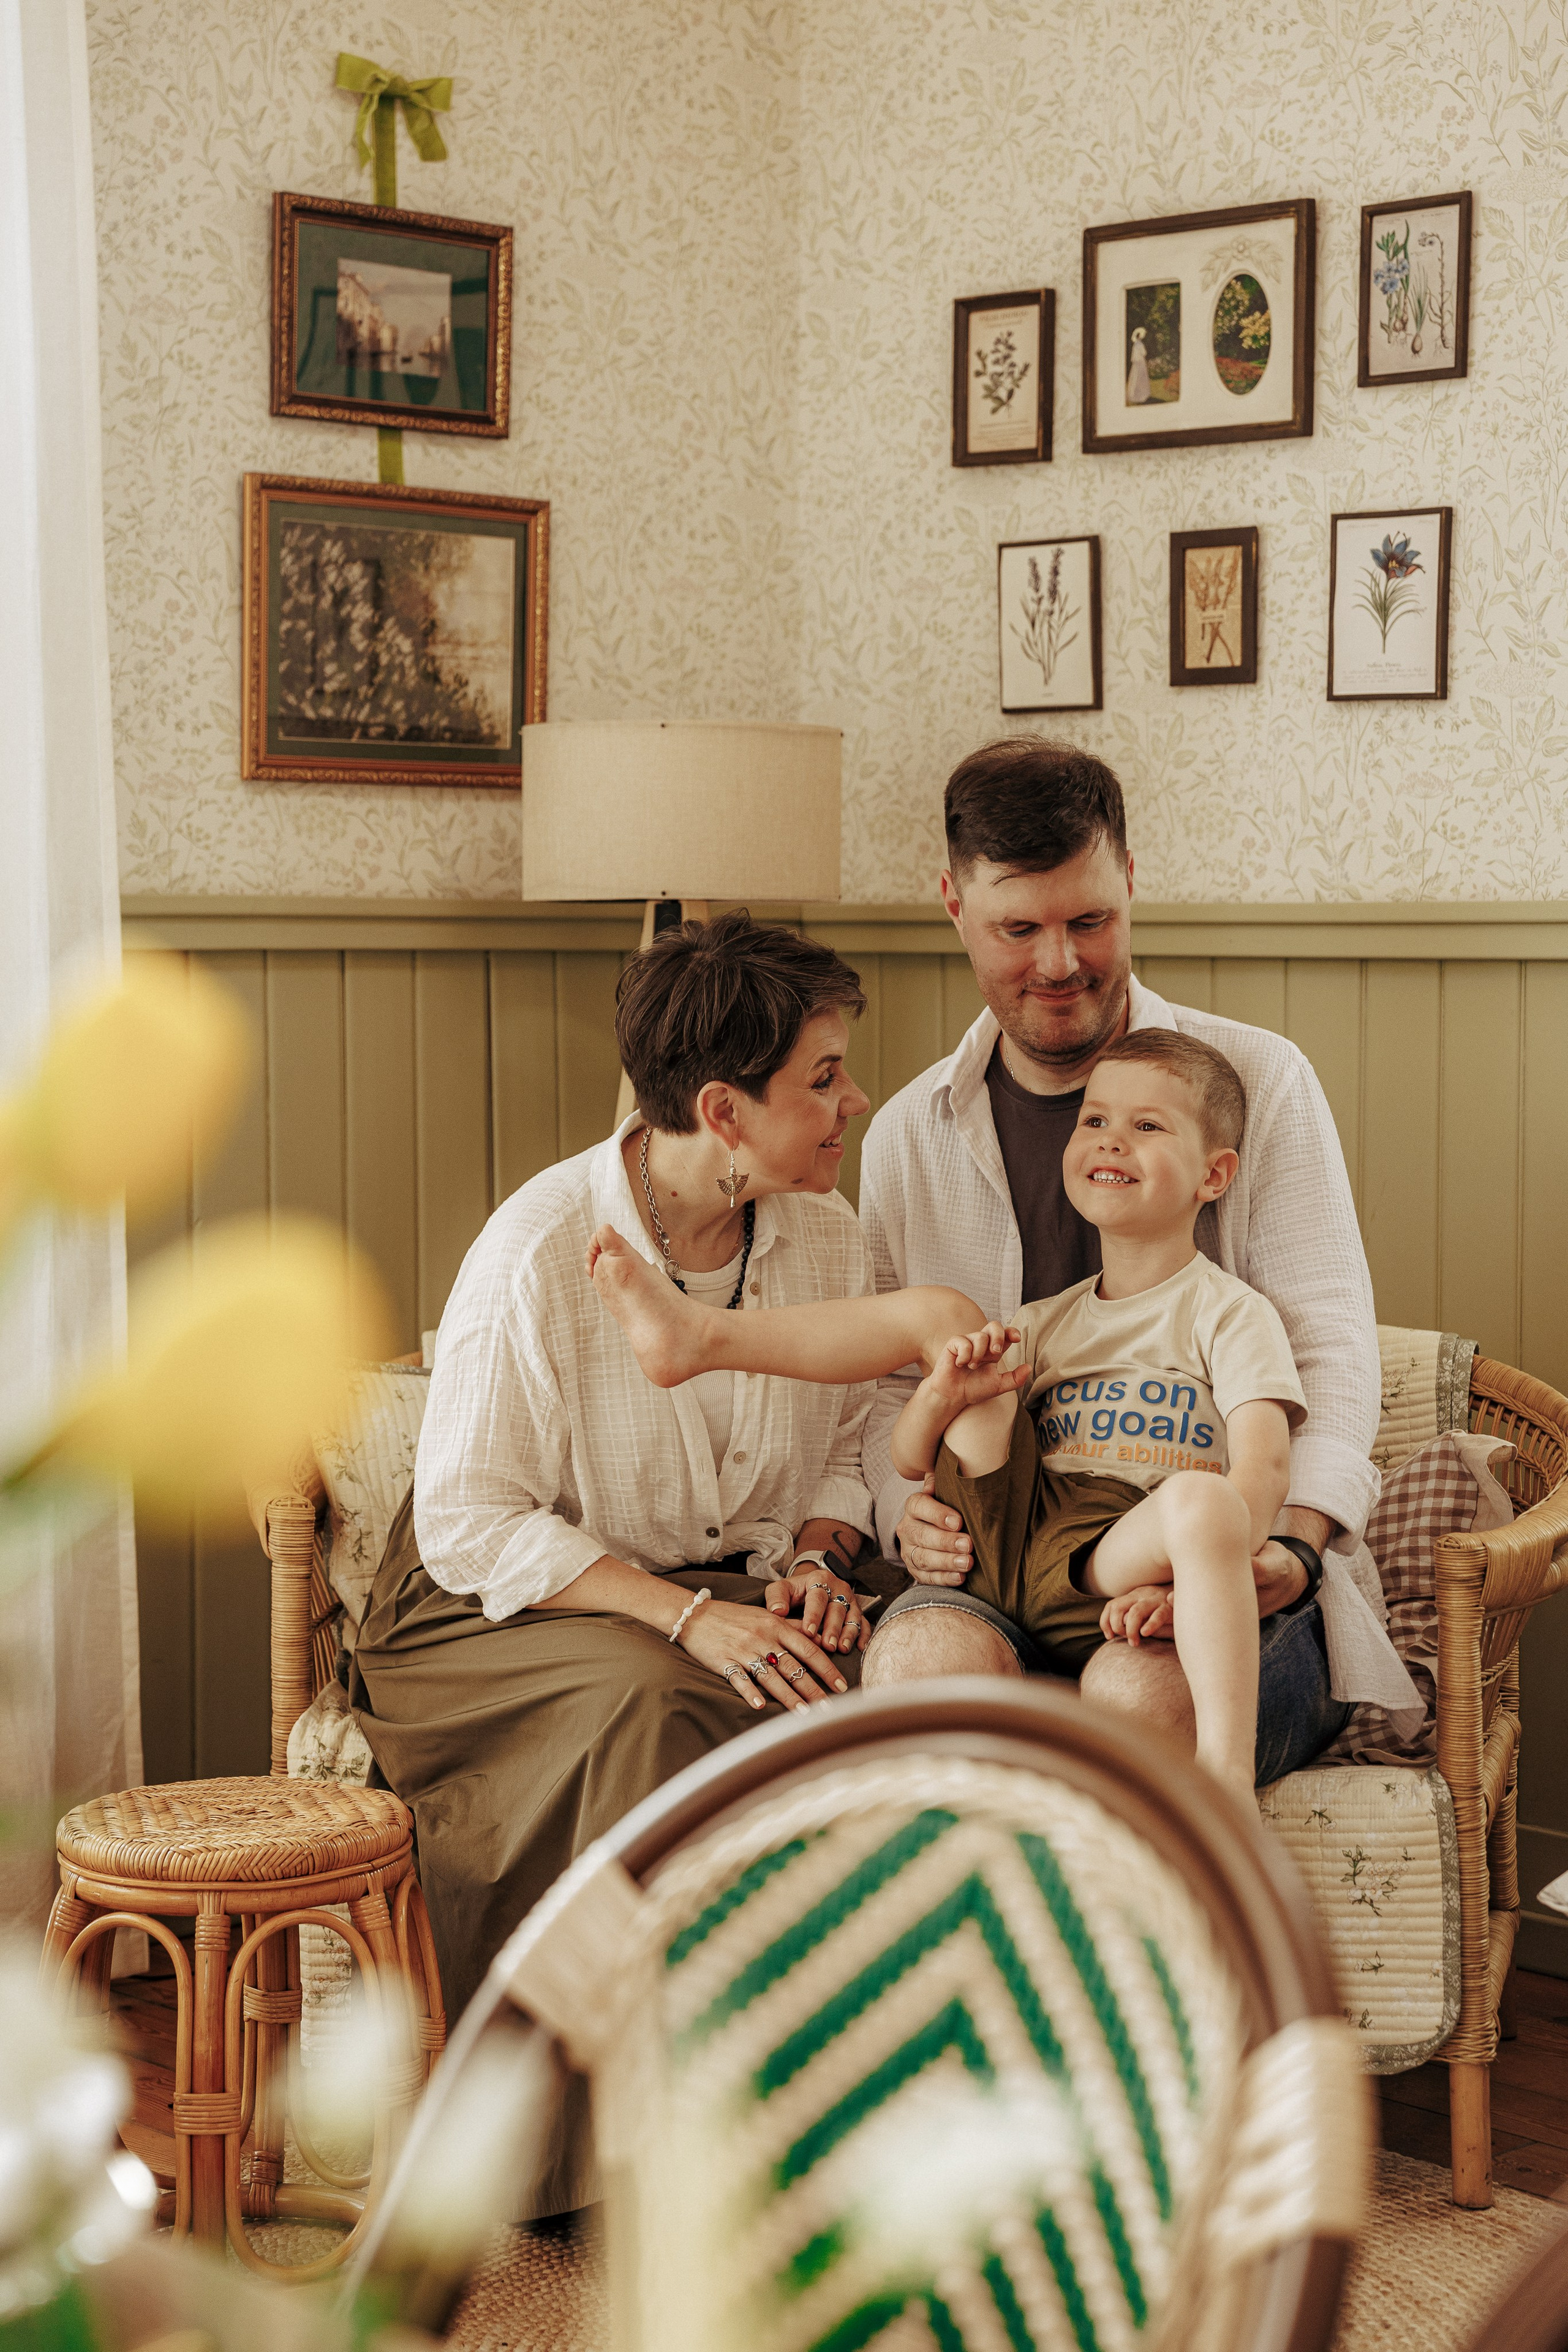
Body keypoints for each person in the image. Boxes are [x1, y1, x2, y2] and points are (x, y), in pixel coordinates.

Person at [349, 911, 886, 2209]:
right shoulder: (536, 1251)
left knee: (860, 1695)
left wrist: (820, 1554)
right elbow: (470, 1521)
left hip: (717, 1593)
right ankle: (615, 2167)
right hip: (487, 1613)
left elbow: (857, 1433)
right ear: (724, 1108)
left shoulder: (826, 1236)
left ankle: (808, 2134)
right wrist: (684, 1621)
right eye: (822, 1079)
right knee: (669, 1704)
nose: (853, 1103)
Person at [855, 736, 1389, 1779]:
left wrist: (1293, 1545)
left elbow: (1329, 1347)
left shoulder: (1261, 1082)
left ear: (1132, 887)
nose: (1059, 963)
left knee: (1134, 1698)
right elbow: (886, 1388)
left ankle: (1157, 1933)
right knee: (920, 1672)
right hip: (999, 1564)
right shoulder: (905, 1136)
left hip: (1209, 1571)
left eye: (1089, 920)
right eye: (1020, 928)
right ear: (953, 906)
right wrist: (898, 1509)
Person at [591, 1030, 1305, 1808]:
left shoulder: (1230, 1314)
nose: (1110, 1142)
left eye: (1147, 1126)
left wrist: (1202, 1576)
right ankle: (700, 1339)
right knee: (965, 1342)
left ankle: (1224, 1780)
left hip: (1118, 1564)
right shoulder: (1045, 1322)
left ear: (1215, 1174)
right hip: (1010, 1551)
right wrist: (940, 1396)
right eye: (1094, 1121)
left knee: (1204, 1504)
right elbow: (909, 1459)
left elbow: (1262, 1471)